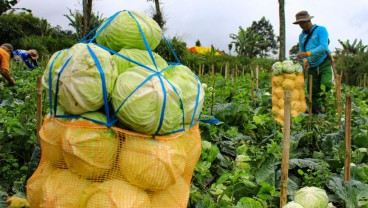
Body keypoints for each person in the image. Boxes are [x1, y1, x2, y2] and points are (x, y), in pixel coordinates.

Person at [294, 10, 334, 114]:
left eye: (303, 23)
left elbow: (323, 46)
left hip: (324, 61)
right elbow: (301, 50)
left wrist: (308, 54)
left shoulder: (321, 30)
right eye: (299, 23)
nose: (301, 25)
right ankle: (317, 112)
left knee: (326, 84)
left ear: (309, 20)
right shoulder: (301, 36)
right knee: (312, 90)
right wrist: (305, 59)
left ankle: (325, 101)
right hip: (311, 65)